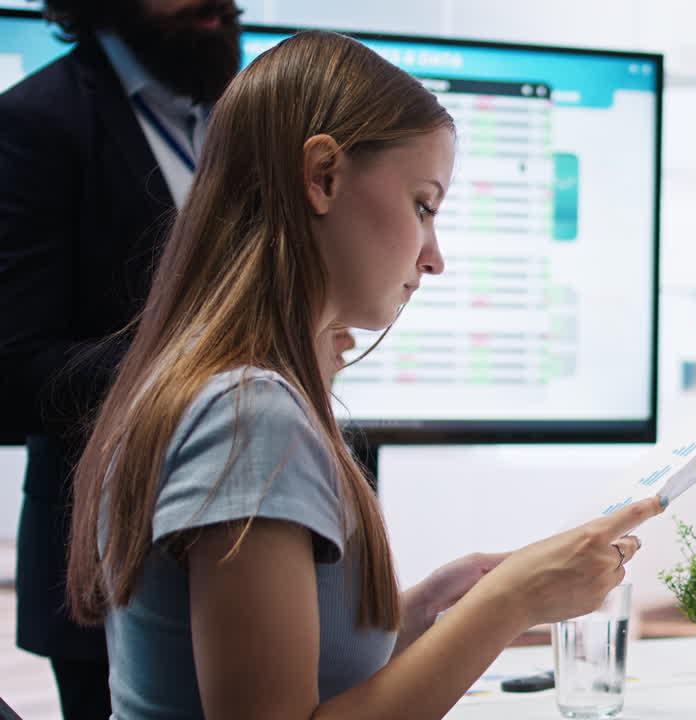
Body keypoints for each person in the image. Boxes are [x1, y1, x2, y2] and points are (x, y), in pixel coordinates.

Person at [62, 29, 665, 719]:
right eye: (423, 206)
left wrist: (439, 603)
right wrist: (513, 600)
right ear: (323, 177)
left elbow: (308, 668)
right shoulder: (250, 414)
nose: (434, 257)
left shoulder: (220, 387)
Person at [0, 2, 243, 717]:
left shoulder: (241, 112)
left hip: (255, 526)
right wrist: (215, 366)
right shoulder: (37, 123)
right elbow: (13, 368)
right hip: (104, 559)